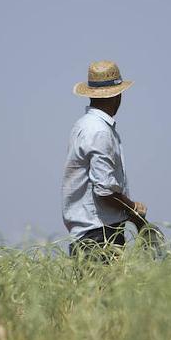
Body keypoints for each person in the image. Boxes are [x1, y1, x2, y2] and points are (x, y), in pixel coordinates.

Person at [62, 60, 150, 257]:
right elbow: (105, 190)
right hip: (100, 236)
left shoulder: (83, 125)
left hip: (85, 236)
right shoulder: (100, 131)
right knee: (106, 288)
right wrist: (134, 211)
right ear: (117, 95)